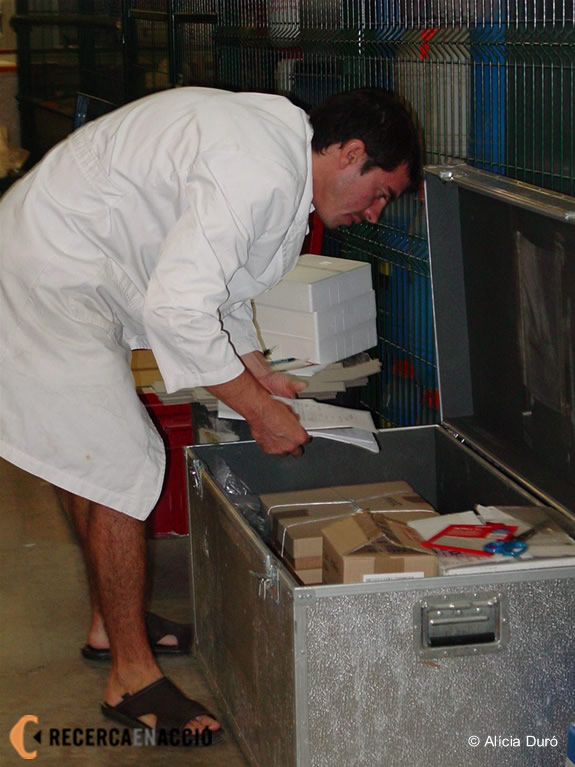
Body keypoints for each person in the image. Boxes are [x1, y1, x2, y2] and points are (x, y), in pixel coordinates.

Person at [0, 86, 421, 742]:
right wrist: (259, 411)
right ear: (350, 154)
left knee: (90, 455)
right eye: (381, 194)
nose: (373, 213)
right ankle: (130, 677)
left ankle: (112, 625)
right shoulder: (260, 169)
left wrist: (255, 371)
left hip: (69, 261)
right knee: (121, 465)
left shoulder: (278, 159)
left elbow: (220, 286)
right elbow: (178, 310)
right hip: (50, 272)